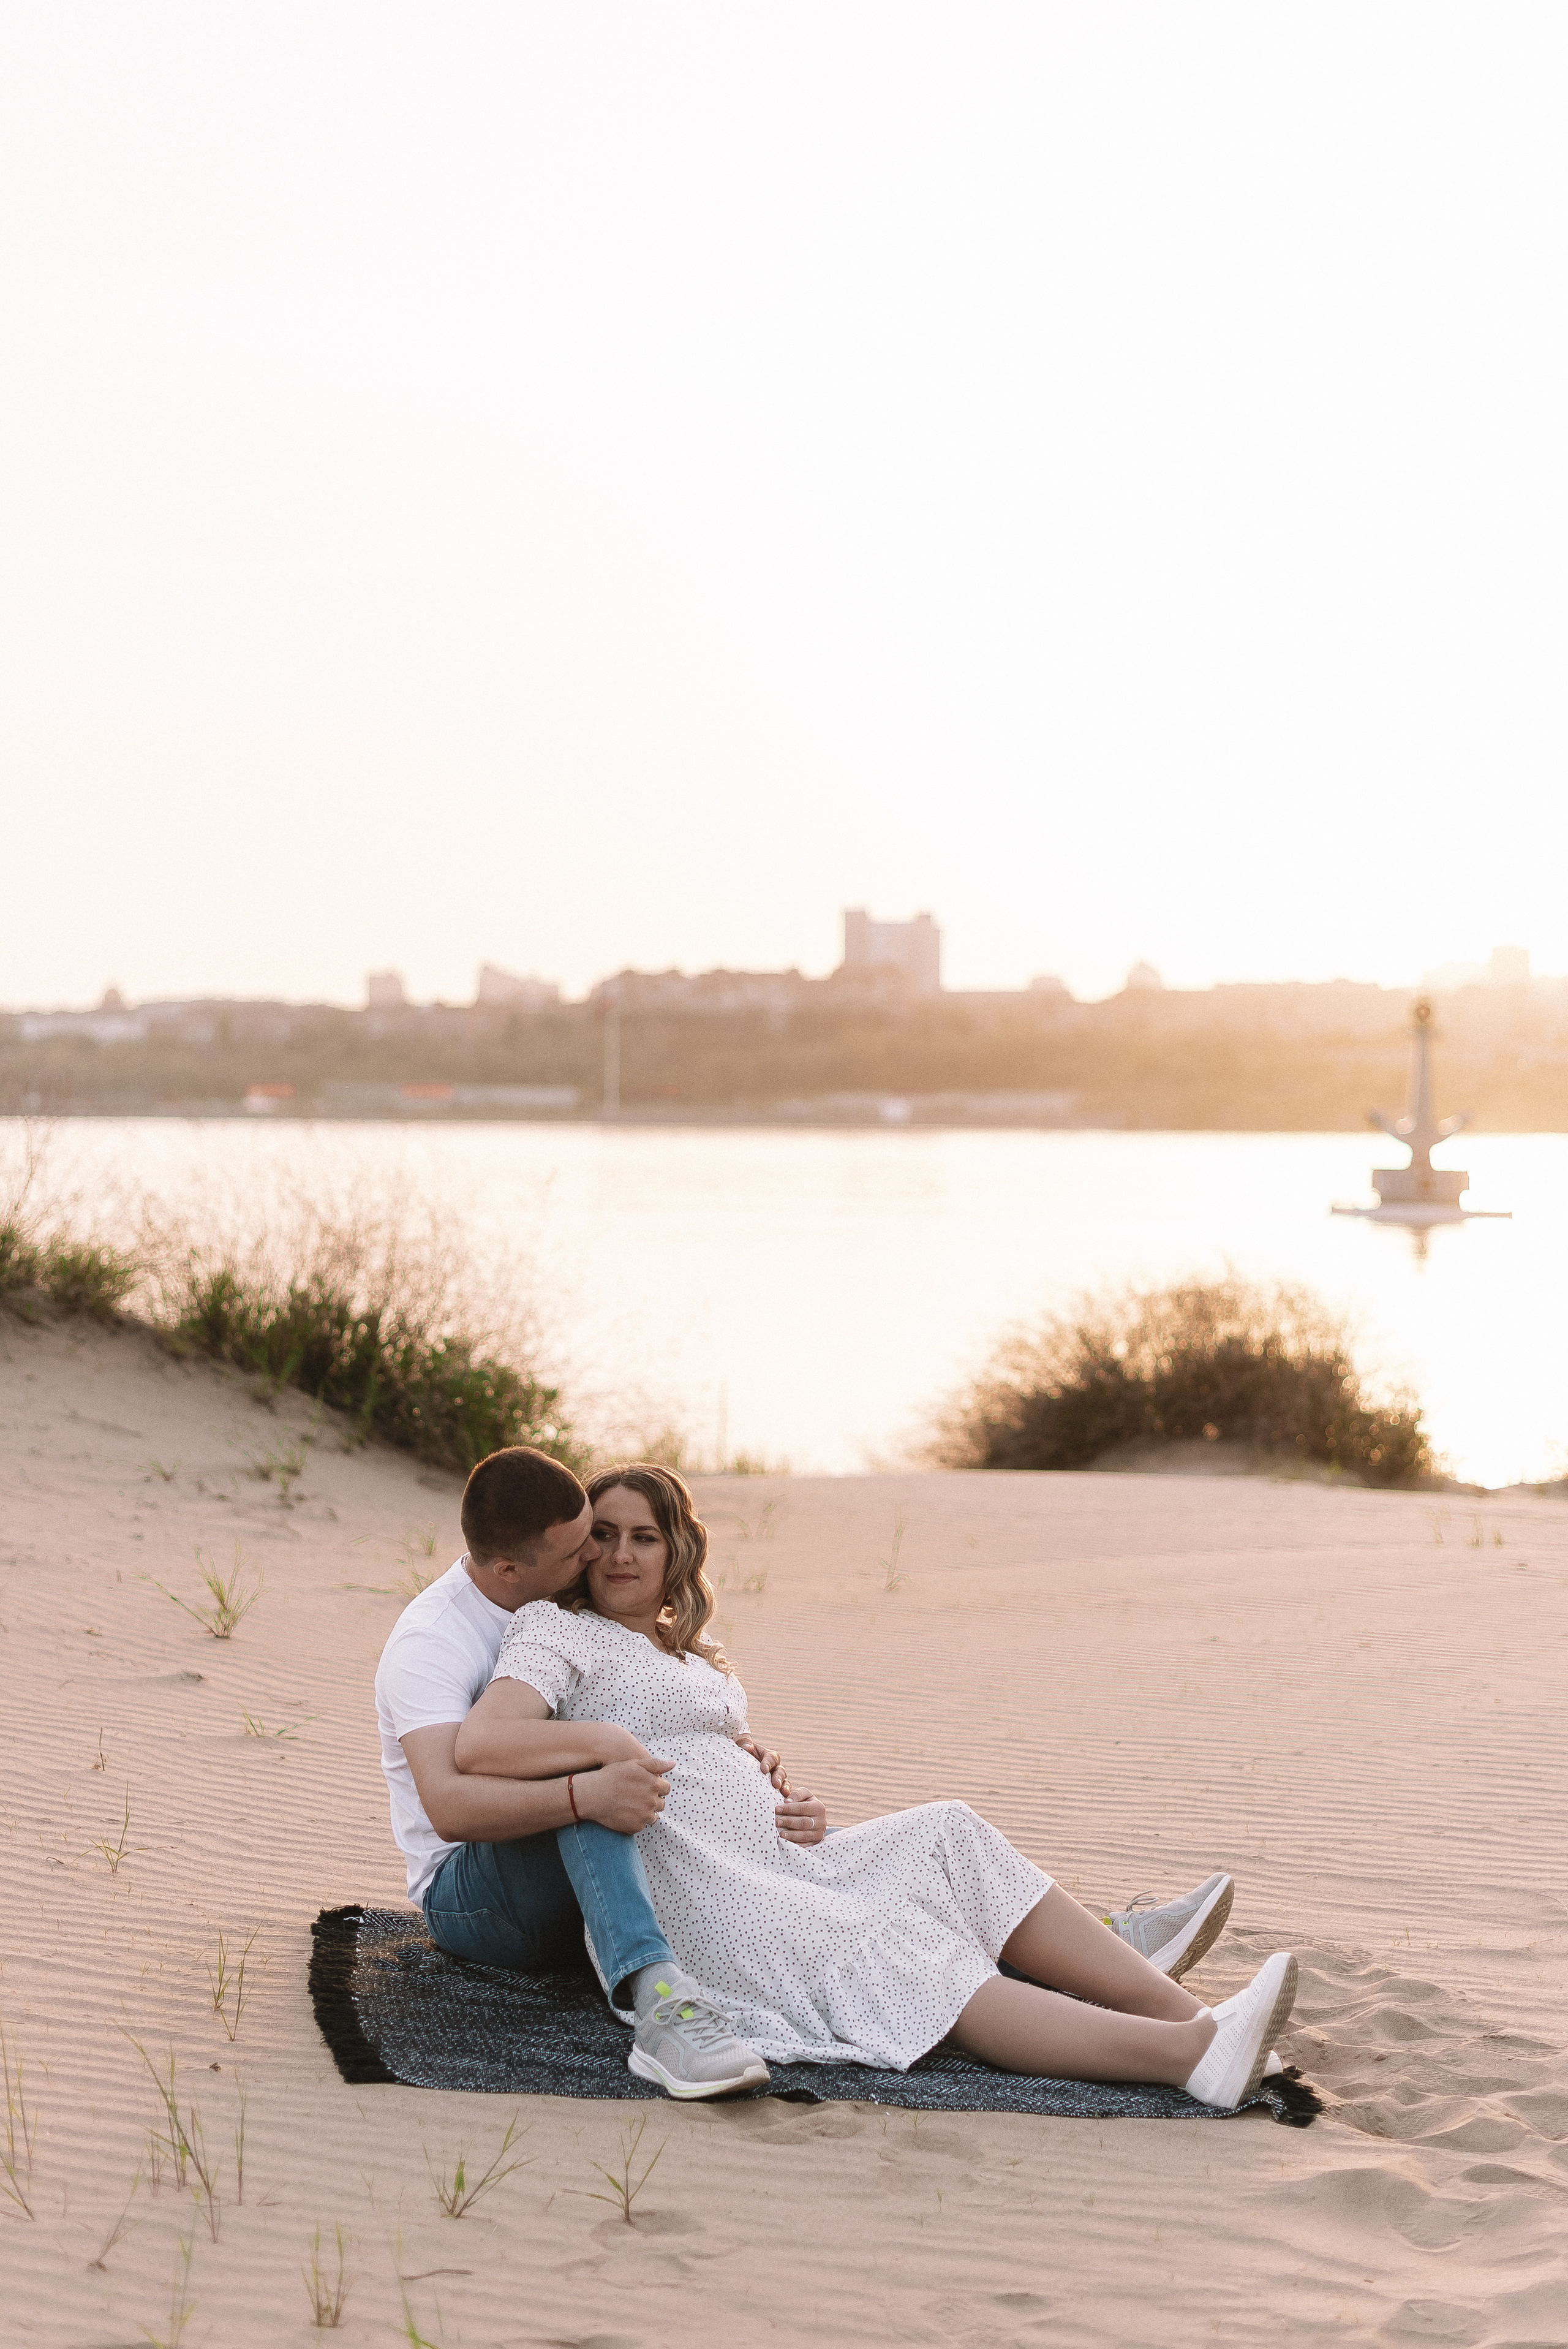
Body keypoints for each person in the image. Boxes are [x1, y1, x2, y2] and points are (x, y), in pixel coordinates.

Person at [454, 1462, 1298, 2109]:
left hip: (785, 1857)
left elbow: (723, 1761)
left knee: (950, 1831)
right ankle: (1187, 2061)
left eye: (644, 1535)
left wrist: (794, 1810)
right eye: (602, 1534)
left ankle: (1188, 2016)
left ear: (676, 1549)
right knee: (891, 1952)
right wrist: (607, 1743)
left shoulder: (690, 1657)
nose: (621, 1552)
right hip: (704, 1885)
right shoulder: (557, 1630)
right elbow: (486, 1740)